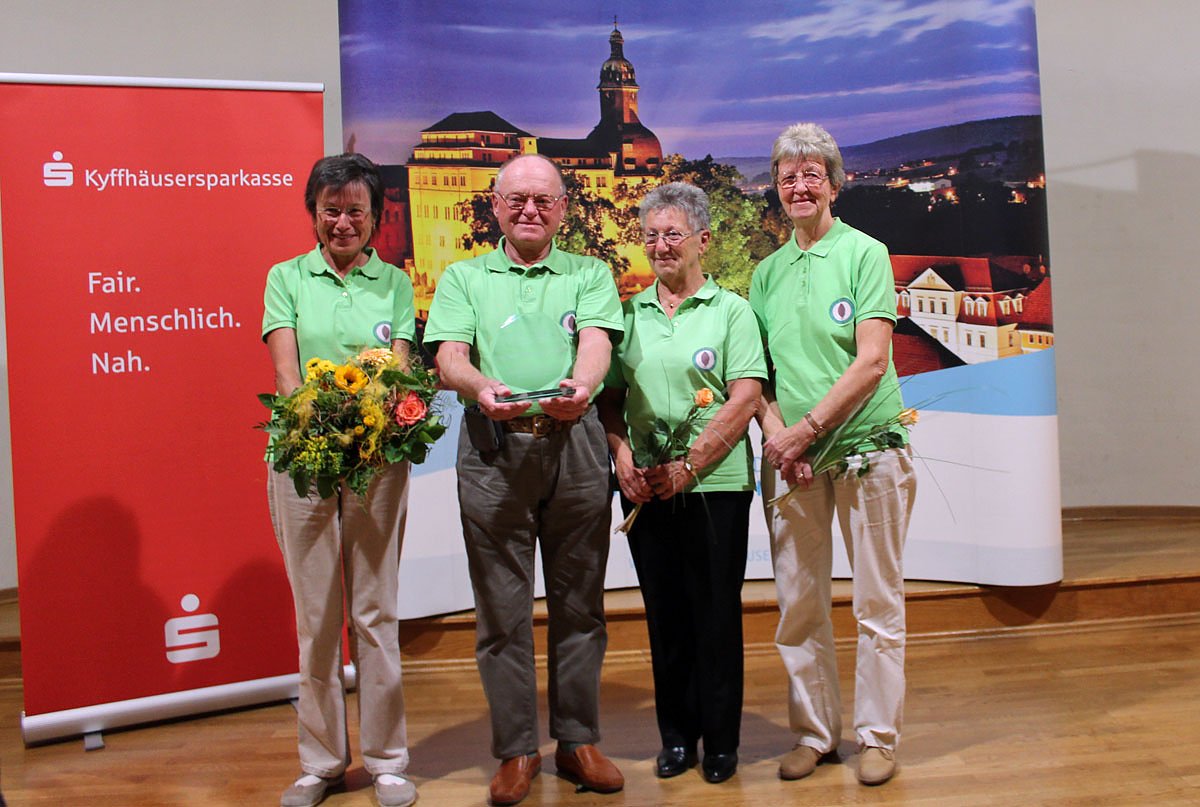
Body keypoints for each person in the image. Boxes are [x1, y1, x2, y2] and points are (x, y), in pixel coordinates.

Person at [423, 153, 625, 806]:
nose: (530, 210)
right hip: (493, 453)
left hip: (576, 446)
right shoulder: (463, 278)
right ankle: (516, 749)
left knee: (580, 605)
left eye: (543, 199)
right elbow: (449, 356)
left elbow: (597, 343)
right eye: (517, 199)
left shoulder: (590, 273)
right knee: (501, 611)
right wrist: (480, 387)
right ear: (496, 206)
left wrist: (582, 385)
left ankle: (577, 740)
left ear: (563, 208)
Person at [751, 123, 918, 787]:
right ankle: (814, 732)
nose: (799, 186)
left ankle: (878, 737)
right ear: (776, 187)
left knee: (877, 601)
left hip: (866, 448)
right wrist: (779, 437)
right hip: (794, 461)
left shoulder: (865, 253)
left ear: (834, 185)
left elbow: (871, 361)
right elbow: (757, 376)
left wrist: (807, 431)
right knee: (798, 602)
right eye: (787, 175)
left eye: (811, 174)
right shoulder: (765, 273)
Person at [262, 153, 418, 807]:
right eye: (332, 210)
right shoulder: (286, 278)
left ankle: (387, 760)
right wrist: (321, 430)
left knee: (375, 612)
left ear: (375, 216)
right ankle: (321, 762)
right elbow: (286, 374)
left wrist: (372, 428)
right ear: (314, 214)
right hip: (303, 460)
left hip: (377, 463)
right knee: (318, 616)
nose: (344, 222)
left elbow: (399, 368)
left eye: (357, 210)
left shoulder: (396, 284)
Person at [597, 182, 766, 784]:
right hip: (646, 489)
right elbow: (610, 399)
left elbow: (745, 395)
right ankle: (676, 738)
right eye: (651, 236)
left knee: (715, 616)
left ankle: (720, 742)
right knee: (664, 617)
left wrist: (691, 464)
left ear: (703, 240)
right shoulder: (627, 316)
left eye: (673, 234)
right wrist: (621, 457)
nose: (661, 246)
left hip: (716, 487)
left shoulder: (732, 312)